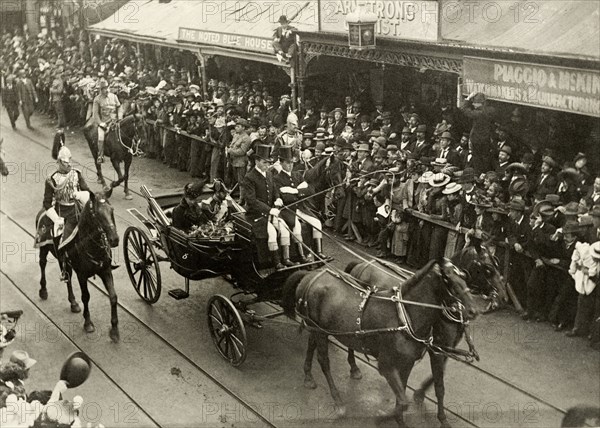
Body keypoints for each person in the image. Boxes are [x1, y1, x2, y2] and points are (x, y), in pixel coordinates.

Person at [42, 146, 91, 280]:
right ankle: (64, 268)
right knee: (59, 238)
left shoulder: (76, 174)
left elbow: (88, 191)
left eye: (69, 161)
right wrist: (56, 218)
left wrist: (79, 194)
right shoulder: (52, 179)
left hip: (77, 209)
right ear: (59, 162)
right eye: (64, 162)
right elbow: (46, 203)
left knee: (97, 225)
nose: (68, 164)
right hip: (61, 213)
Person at [242, 145, 291, 269]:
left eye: (268, 163)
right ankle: (276, 262)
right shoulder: (249, 177)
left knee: (285, 230)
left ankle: (286, 259)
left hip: (271, 213)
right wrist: (269, 210)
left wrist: (278, 198)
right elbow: (252, 201)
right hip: (257, 215)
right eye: (264, 162)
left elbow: (274, 190)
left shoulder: (268, 173)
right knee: (272, 232)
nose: (266, 165)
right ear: (257, 161)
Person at [92, 79, 122, 163]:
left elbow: (119, 107)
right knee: (101, 137)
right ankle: (100, 155)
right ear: (100, 90)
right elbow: (95, 114)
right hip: (104, 123)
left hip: (115, 121)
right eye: (104, 88)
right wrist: (101, 123)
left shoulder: (114, 96)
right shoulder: (97, 99)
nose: (106, 90)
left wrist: (120, 117)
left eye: (107, 88)